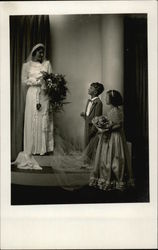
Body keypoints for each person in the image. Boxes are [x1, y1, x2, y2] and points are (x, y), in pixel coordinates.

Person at [12, 43, 54, 170]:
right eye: (39, 52)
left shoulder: (47, 64)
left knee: (43, 119)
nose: (41, 54)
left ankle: (43, 149)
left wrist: (45, 83)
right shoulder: (26, 65)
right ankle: (32, 149)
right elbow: (24, 80)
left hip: (44, 94)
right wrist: (35, 82)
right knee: (32, 120)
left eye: (43, 52)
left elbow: (51, 80)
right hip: (32, 94)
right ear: (34, 52)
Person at [89, 90, 135, 191]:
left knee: (115, 156)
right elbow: (110, 122)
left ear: (112, 100)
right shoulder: (112, 110)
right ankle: (105, 177)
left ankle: (115, 179)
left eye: (107, 97)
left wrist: (107, 128)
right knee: (106, 156)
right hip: (109, 135)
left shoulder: (116, 111)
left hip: (115, 137)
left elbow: (119, 125)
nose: (105, 99)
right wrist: (102, 125)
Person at [80, 82, 104, 163]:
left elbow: (97, 117)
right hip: (87, 125)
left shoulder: (98, 103)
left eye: (91, 88)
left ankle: (89, 161)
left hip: (92, 127)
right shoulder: (89, 101)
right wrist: (85, 116)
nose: (88, 89)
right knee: (86, 143)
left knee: (91, 145)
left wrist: (93, 130)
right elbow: (90, 114)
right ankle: (86, 161)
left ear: (95, 92)